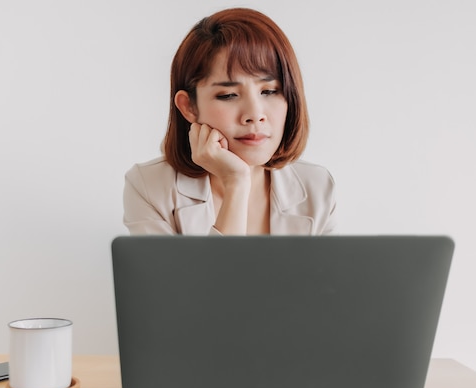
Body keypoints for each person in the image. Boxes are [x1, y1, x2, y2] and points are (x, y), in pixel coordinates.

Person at [123, 7, 336, 235]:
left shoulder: (317, 186)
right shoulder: (149, 186)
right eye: (228, 95)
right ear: (189, 107)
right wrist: (236, 182)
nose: (255, 114)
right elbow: (216, 273)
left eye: (270, 91)